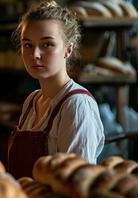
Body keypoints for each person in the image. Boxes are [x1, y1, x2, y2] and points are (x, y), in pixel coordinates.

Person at [8, 0, 105, 178]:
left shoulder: (76, 105)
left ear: (68, 50)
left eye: (47, 44)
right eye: (27, 45)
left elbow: (76, 183)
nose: (35, 54)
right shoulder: (32, 100)